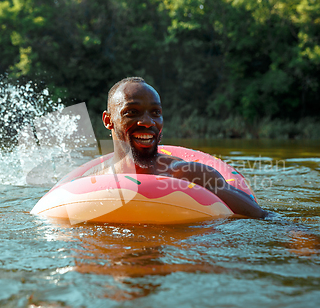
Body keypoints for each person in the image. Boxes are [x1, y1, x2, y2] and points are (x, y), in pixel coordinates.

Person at [85, 77, 267, 218]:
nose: (148, 122)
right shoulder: (91, 181)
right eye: (132, 112)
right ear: (108, 120)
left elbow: (264, 218)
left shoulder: (190, 175)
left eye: (156, 113)